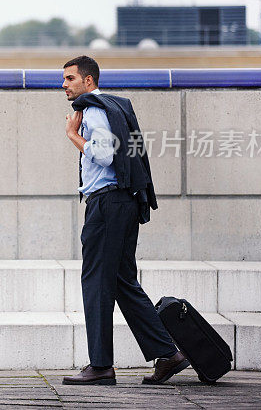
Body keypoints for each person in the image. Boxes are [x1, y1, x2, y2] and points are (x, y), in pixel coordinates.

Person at [60, 55, 188, 386]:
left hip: (107, 204)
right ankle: (168, 353)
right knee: (121, 281)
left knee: (96, 282)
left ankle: (101, 365)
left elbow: (104, 155)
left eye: (70, 79)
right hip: (125, 202)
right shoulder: (113, 107)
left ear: (88, 81)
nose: (64, 85)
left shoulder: (95, 110)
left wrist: (73, 134)